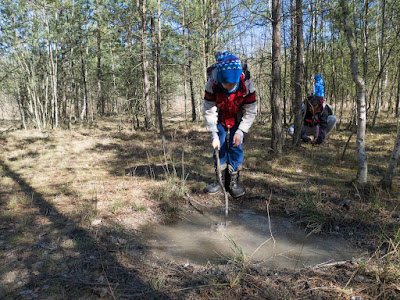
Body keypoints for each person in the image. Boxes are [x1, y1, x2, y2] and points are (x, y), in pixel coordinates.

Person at [203, 52, 257, 198]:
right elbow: (209, 109)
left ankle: (233, 181)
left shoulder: (247, 85)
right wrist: (213, 133)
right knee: (219, 145)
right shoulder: (212, 84)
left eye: (232, 84)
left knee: (235, 145)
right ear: (219, 79)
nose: (229, 87)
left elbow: (251, 111)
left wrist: (241, 131)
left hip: (238, 117)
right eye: (226, 84)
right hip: (220, 117)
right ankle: (219, 180)